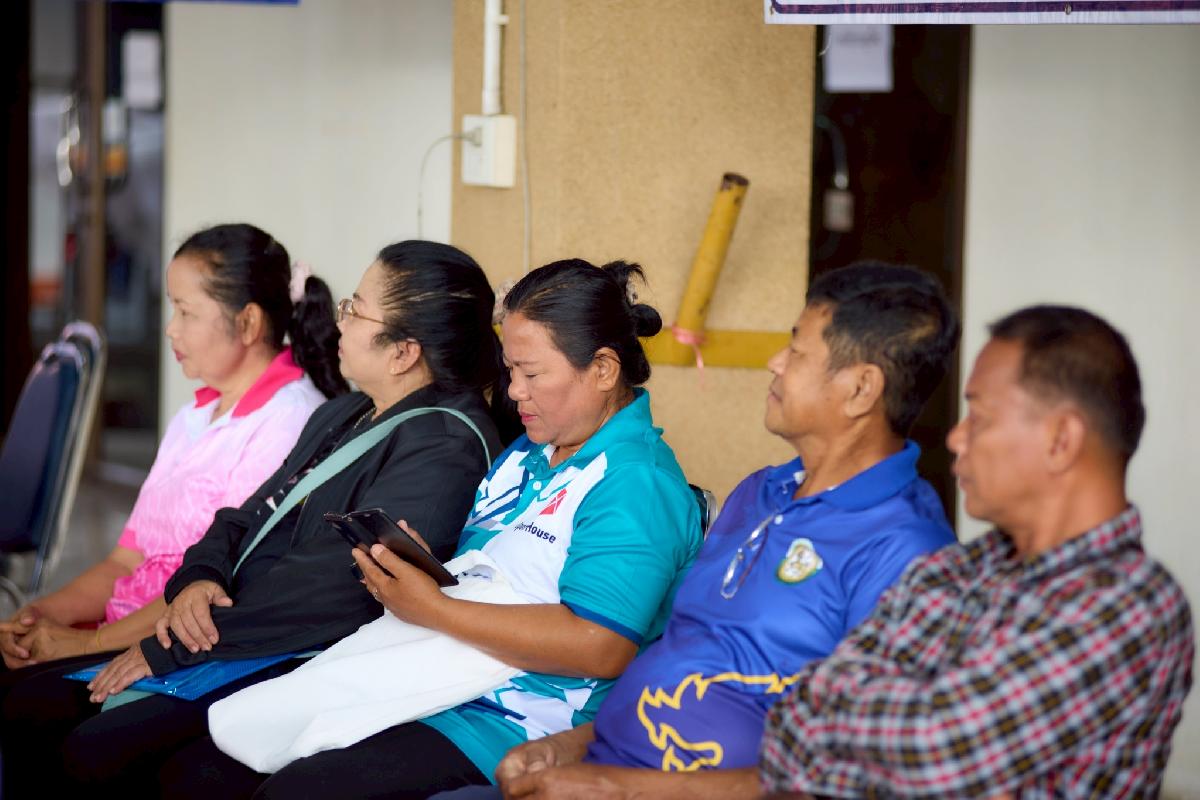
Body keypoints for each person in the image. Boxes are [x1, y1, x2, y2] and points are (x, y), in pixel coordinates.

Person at [156, 257, 704, 799]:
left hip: (519, 720)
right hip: (438, 680)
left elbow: (600, 645)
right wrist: (421, 573)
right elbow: (499, 582)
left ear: (603, 369)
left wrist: (432, 607)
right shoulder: (528, 454)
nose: (515, 391)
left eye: (532, 374)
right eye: (511, 370)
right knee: (204, 769)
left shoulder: (636, 482)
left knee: (294, 791)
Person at [0, 240, 510, 796]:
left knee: (91, 744)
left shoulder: (443, 445)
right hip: (233, 631)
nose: (340, 322)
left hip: (292, 652)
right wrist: (199, 579)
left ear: (403, 352)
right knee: (30, 701)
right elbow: (239, 519)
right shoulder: (347, 412)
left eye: (355, 310)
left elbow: (336, 592)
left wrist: (169, 645)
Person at [444, 261, 961, 799]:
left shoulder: (907, 553)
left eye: (797, 352)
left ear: (861, 389)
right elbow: (684, 662)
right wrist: (569, 748)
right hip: (604, 762)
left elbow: (865, 776)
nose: (774, 362)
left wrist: (621, 788)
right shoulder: (760, 493)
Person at [759, 306, 1194, 797]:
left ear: (1061, 440)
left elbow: (934, 747)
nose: (955, 438)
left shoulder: (1130, 603)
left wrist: (864, 744)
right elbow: (790, 724)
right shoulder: (955, 568)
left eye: (980, 417)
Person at [0, 222, 343, 669]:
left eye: (186, 312)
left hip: (182, 651)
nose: (170, 329)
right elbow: (125, 562)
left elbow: (221, 584)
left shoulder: (290, 420)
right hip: (122, 632)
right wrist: (39, 615)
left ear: (248, 322)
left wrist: (84, 644)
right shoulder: (194, 416)